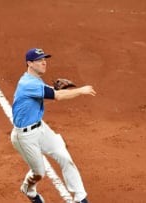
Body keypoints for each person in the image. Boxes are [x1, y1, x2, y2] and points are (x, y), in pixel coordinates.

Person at [10, 48, 96, 203]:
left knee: (65, 158)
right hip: (24, 137)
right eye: (39, 60)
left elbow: (48, 92)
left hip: (41, 128)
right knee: (39, 173)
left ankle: (81, 198)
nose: (44, 62)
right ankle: (28, 189)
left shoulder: (36, 80)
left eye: (45, 59)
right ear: (29, 63)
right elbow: (56, 96)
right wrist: (81, 90)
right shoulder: (27, 83)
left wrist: (53, 89)